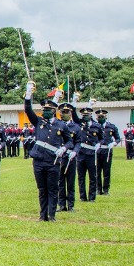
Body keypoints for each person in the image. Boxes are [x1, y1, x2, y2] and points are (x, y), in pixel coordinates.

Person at [23, 81, 72, 222]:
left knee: (53, 188)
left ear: (54, 111)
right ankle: (42, 214)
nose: (46, 111)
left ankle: (51, 215)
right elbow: (28, 110)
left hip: (53, 161)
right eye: (44, 109)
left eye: (49, 109)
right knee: (42, 189)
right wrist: (28, 94)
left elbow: (69, 141)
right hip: (38, 160)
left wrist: (64, 148)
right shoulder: (38, 122)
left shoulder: (61, 125)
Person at [73, 105, 102, 204]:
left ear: (91, 115)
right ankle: (82, 196)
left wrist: (99, 144)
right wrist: (74, 103)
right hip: (81, 153)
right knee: (81, 176)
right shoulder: (79, 123)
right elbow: (73, 114)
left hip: (91, 153)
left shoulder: (96, 125)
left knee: (92, 176)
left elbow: (102, 138)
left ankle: (92, 197)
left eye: (87, 114)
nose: (85, 116)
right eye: (83, 114)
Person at [55, 102, 81, 212]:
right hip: (60, 156)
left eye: (66, 112)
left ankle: (71, 205)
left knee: (70, 182)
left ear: (70, 114)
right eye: (62, 112)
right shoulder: (57, 125)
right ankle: (61, 204)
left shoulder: (76, 127)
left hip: (70, 157)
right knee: (60, 182)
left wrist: (75, 152)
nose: (63, 114)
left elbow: (78, 142)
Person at [96, 109, 121, 196]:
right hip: (97, 151)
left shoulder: (111, 127)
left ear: (106, 116)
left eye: (102, 116)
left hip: (107, 150)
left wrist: (114, 143)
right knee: (97, 171)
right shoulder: (95, 127)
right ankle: (98, 189)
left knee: (106, 171)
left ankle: (106, 189)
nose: (101, 118)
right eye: (99, 117)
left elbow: (118, 138)